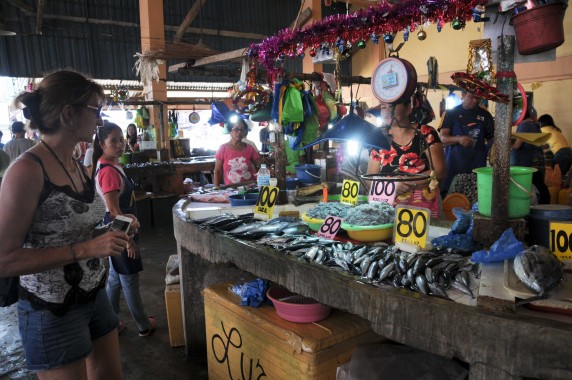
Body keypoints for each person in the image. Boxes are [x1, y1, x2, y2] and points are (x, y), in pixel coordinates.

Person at [0, 69, 138, 378]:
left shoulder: (75, 163)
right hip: (51, 309)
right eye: (95, 110)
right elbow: (4, 259)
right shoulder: (26, 171)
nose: (100, 120)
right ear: (68, 114)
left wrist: (110, 234)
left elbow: (72, 229)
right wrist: (87, 248)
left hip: (94, 295)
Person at [93, 122, 156, 338]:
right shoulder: (108, 171)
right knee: (129, 280)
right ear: (102, 144)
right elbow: (113, 212)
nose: (119, 145)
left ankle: (111, 324)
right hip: (120, 232)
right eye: (113, 141)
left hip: (114, 232)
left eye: (121, 140)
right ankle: (143, 325)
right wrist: (128, 240)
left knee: (114, 279)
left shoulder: (110, 165)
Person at [367, 99, 446, 219]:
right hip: (387, 210)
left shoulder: (425, 133)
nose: (387, 111)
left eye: (392, 106)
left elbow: (439, 171)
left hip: (424, 207)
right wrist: (392, 186)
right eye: (383, 107)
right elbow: (370, 178)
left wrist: (405, 182)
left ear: (408, 108)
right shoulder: (378, 137)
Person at [438, 90, 494, 197]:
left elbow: (492, 139)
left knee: (473, 199)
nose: (474, 101)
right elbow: (442, 138)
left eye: (477, 98)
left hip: (476, 166)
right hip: (453, 166)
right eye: (471, 97)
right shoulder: (451, 113)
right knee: (450, 198)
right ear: (463, 95)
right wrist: (458, 139)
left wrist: (492, 152)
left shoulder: (485, 116)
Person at [511, 107, 550, 204]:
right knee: (538, 186)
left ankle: (538, 208)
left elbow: (517, 145)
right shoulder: (535, 125)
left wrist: (507, 144)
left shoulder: (524, 125)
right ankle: (543, 205)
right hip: (538, 160)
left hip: (527, 162)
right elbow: (542, 144)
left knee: (530, 188)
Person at [213, 118, 262, 187]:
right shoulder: (223, 148)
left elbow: (260, 163)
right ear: (230, 131)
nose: (239, 132)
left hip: (250, 187)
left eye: (242, 129)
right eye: (236, 129)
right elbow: (217, 171)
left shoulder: (249, 148)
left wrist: (268, 169)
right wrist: (216, 189)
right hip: (231, 189)